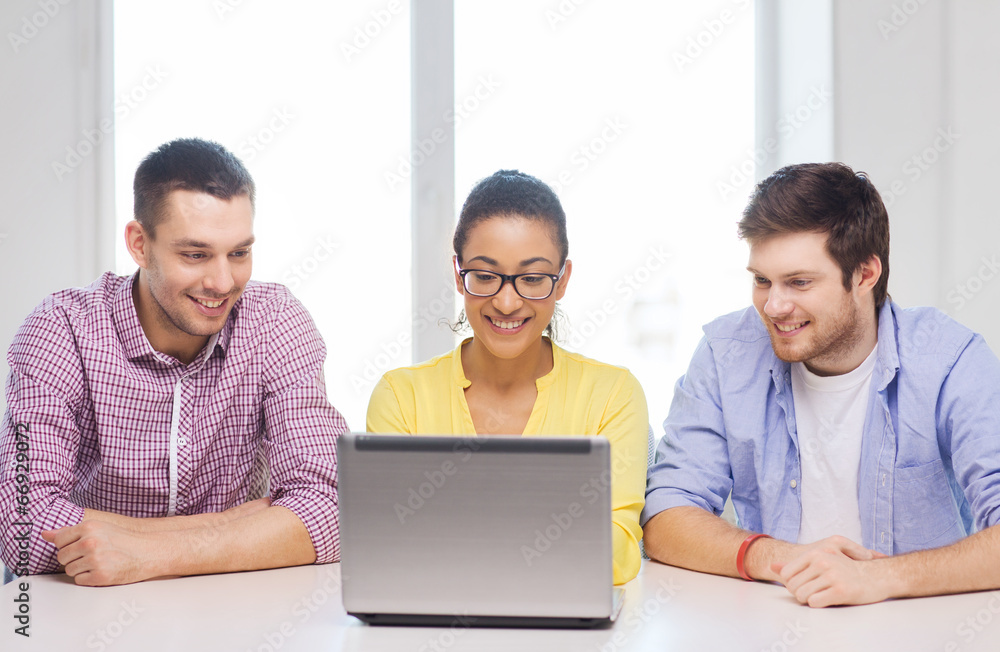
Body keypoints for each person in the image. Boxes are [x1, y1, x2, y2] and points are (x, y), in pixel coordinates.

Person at [642, 162, 1000, 607]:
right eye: (761, 280)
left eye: (799, 282)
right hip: (773, 626)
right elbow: (666, 517)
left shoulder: (951, 361)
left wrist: (876, 579)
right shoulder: (724, 354)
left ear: (865, 274)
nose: (773, 306)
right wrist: (785, 560)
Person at [0, 138, 347, 586]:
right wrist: (234, 526)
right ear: (140, 244)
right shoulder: (62, 327)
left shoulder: (275, 320)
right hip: (85, 604)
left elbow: (334, 507)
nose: (223, 282)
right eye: (195, 255)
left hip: (230, 603)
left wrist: (146, 551)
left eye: (239, 253)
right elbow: (23, 525)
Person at [367, 170, 648, 585]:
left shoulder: (612, 395)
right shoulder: (401, 397)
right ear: (458, 273)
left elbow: (618, 554)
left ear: (562, 280)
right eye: (484, 275)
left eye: (532, 279)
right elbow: (389, 546)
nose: (506, 301)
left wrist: (454, 533)